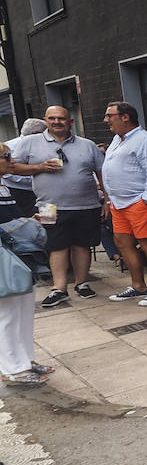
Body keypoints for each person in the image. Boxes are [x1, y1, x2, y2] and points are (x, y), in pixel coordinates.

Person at [6, 106, 108, 307]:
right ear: (46, 120)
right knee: (55, 245)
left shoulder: (87, 145)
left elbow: (102, 173)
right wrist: (40, 167)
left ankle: (82, 284)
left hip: (87, 205)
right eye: (52, 118)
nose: (57, 122)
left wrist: (106, 199)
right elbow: (12, 167)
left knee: (83, 244)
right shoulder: (29, 142)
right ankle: (59, 288)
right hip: (47, 206)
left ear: (70, 122)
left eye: (61, 118)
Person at [102, 102, 147, 305]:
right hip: (119, 203)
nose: (106, 120)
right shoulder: (117, 139)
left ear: (125, 117)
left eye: (109, 116)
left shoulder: (144, 140)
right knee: (122, 243)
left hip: (139, 202)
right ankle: (138, 286)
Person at [0, 144, 54, 388]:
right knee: (8, 314)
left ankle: (25, 360)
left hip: (17, 254)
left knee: (23, 310)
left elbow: (10, 217)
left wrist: (29, 221)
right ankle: (11, 368)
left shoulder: (3, 184)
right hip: (4, 256)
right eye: (6, 157)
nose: (12, 160)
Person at [2, 117, 46, 218]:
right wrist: (38, 178)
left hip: (41, 192)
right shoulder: (10, 147)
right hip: (22, 193)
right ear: (35, 133)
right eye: (45, 133)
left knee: (45, 220)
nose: (13, 161)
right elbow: (10, 173)